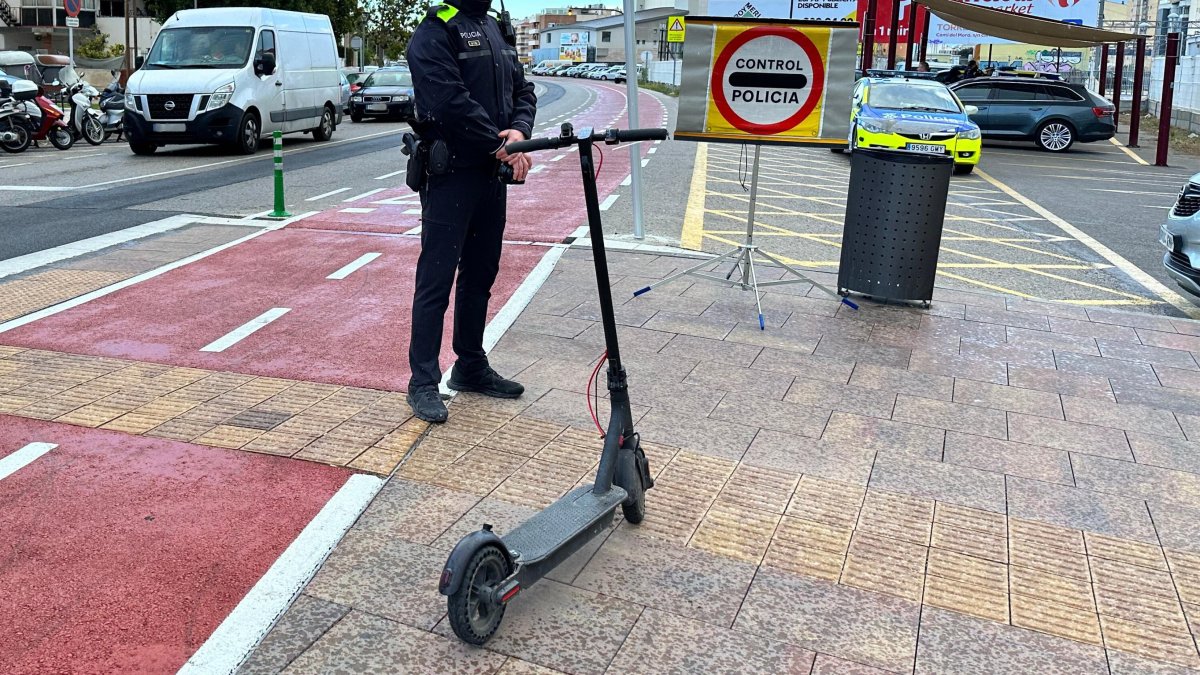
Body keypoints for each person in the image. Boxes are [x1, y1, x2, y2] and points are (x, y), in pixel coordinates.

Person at [404, 0, 537, 423]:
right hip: (450, 175)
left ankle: (470, 366)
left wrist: (519, 132)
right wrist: (499, 144)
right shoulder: (435, 30)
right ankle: (423, 382)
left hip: (490, 173)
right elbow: (447, 101)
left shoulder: (495, 28)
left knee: (481, 274)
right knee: (436, 280)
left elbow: (524, 91)